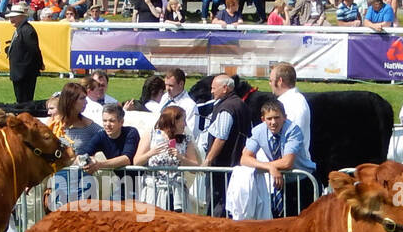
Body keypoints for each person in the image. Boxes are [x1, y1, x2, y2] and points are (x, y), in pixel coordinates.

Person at [240, 97, 317, 217]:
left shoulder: (293, 130)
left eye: (277, 117)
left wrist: (269, 167)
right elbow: (244, 159)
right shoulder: (258, 131)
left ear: (284, 117)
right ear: (263, 119)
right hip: (278, 182)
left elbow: (287, 163)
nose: (273, 122)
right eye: (269, 119)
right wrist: (270, 168)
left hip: (301, 181)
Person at [134, 105, 202, 212]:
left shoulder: (186, 140)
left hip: (177, 192)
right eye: (183, 120)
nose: (185, 124)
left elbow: (195, 168)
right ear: (173, 121)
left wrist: (181, 157)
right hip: (154, 190)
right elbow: (136, 162)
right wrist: (151, 153)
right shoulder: (151, 135)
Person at [203, 74, 250, 217]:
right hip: (236, 166)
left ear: (225, 88)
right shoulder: (241, 104)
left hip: (222, 166)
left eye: (214, 88)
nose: (211, 91)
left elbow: (221, 138)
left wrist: (208, 160)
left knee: (218, 206)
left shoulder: (227, 108)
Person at [86, 104, 140, 200]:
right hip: (118, 184)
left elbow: (126, 159)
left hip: (137, 183)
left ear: (121, 122)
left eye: (111, 121)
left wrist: (99, 164)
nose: (107, 124)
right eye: (104, 121)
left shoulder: (131, 132)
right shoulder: (100, 136)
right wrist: (85, 161)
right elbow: (84, 153)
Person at [7, 2, 43, 104]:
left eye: (14, 17)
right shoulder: (20, 29)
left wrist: (38, 64)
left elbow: (34, 50)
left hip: (24, 73)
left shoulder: (27, 30)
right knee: (20, 99)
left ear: (22, 17)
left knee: (25, 100)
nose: (11, 19)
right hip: (19, 71)